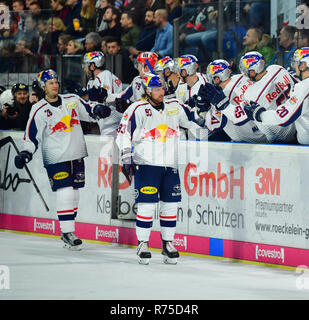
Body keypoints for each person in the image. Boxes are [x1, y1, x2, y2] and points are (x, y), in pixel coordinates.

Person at [14, 69, 111, 250]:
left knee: (74, 193)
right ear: (43, 87)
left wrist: (98, 109)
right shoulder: (39, 109)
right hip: (55, 156)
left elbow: (89, 110)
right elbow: (32, 136)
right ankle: (67, 231)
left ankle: (68, 230)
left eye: (56, 82)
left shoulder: (72, 99)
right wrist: (26, 152)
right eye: (50, 83)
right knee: (65, 191)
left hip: (76, 153)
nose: (55, 85)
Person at [115, 73, 207, 265]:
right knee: (147, 206)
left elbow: (194, 123)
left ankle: (168, 243)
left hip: (170, 165)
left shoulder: (174, 107)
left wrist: (204, 114)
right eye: (156, 89)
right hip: (147, 164)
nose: (161, 92)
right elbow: (123, 135)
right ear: (147, 91)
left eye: (162, 88)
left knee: (170, 206)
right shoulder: (137, 109)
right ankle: (143, 244)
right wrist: (126, 158)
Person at [243, 48, 309, 145]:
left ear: (303, 66)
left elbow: (284, 118)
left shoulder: (303, 87)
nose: (294, 66)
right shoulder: (277, 69)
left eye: (296, 63)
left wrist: (259, 115)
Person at [194, 59, 268, 143]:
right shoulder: (242, 77)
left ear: (217, 78)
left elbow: (212, 125)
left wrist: (202, 109)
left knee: (204, 137)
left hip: (250, 140)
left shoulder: (222, 94)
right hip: (266, 125)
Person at [83, 51, 123, 135]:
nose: (84, 68)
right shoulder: (92, 81)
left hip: (113, 123)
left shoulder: (104, 75)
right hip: (104, 123)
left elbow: (105, 99)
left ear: (92, 66)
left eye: (86, 65)